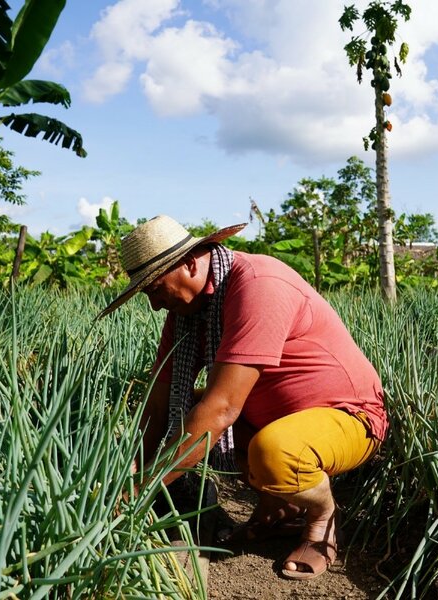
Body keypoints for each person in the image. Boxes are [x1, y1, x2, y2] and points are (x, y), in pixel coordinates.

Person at [98, 215, 387, 580]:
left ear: (189, 263)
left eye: (155, 288)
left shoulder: (258, 285)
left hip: (348, 418)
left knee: (273, 451)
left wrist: (139, 491)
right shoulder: (188, 312)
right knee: (182, 406)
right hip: (276, 415)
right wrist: (128, 468)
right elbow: (160, 399)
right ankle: (279, 508)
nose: (155, 305)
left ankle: (322, 517)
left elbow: (221, 410)